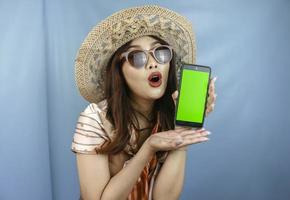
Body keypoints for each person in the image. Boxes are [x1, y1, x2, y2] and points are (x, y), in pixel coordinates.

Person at [71, 5, 217, 200]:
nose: (153, 63)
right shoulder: (94, 118)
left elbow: (163, 198)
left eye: (160, 52)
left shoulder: (167, 114)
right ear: (119, 71)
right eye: (137, 57)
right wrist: (148, 148)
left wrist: (182, 134)